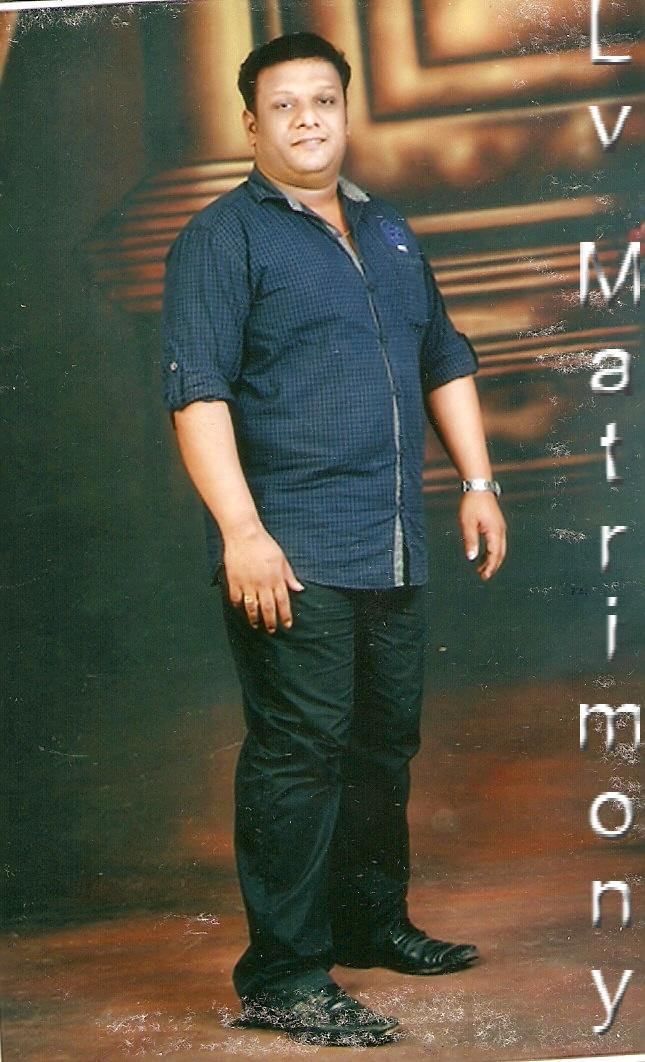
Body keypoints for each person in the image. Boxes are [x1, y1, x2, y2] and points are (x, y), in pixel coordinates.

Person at [162, 32, 507, 1048]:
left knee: (381, 745)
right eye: (284, 105)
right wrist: (242, 532)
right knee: (299, 753)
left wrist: (478, 483)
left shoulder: (388, 230)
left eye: (323, 100)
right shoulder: (221, 238)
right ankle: (282, 977)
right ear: (250, 123)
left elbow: (444, 356)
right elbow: (198, 393)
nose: (307, 119)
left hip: (390, 540)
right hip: (290, 548)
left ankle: (367, 924)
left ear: (346, 112)